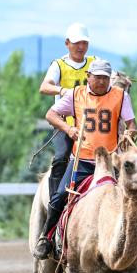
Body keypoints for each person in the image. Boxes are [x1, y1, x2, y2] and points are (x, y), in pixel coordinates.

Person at [33, 59, 136, 260]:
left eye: (105, 78)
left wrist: (130, 134)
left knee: (133, 196)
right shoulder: (75, 94)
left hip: (110, 162)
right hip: (82, 160)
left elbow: (132, 124)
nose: (101, 82)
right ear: (89, 76)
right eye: (97, 77)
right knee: (60, 196)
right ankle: (46, 237)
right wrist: (69, 129)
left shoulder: (121, 96)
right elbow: (51, 114)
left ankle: (136, 243)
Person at [38, 23, 96, 197]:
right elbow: (44, 86)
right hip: (65, 124)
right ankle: (54, 200)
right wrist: (62, 90)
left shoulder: (95, 63)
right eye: (77, 43)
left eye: (84, 43)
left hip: (93, 124)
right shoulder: (59, 65)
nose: (81, 47)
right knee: (61, 157)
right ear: (67, 43)